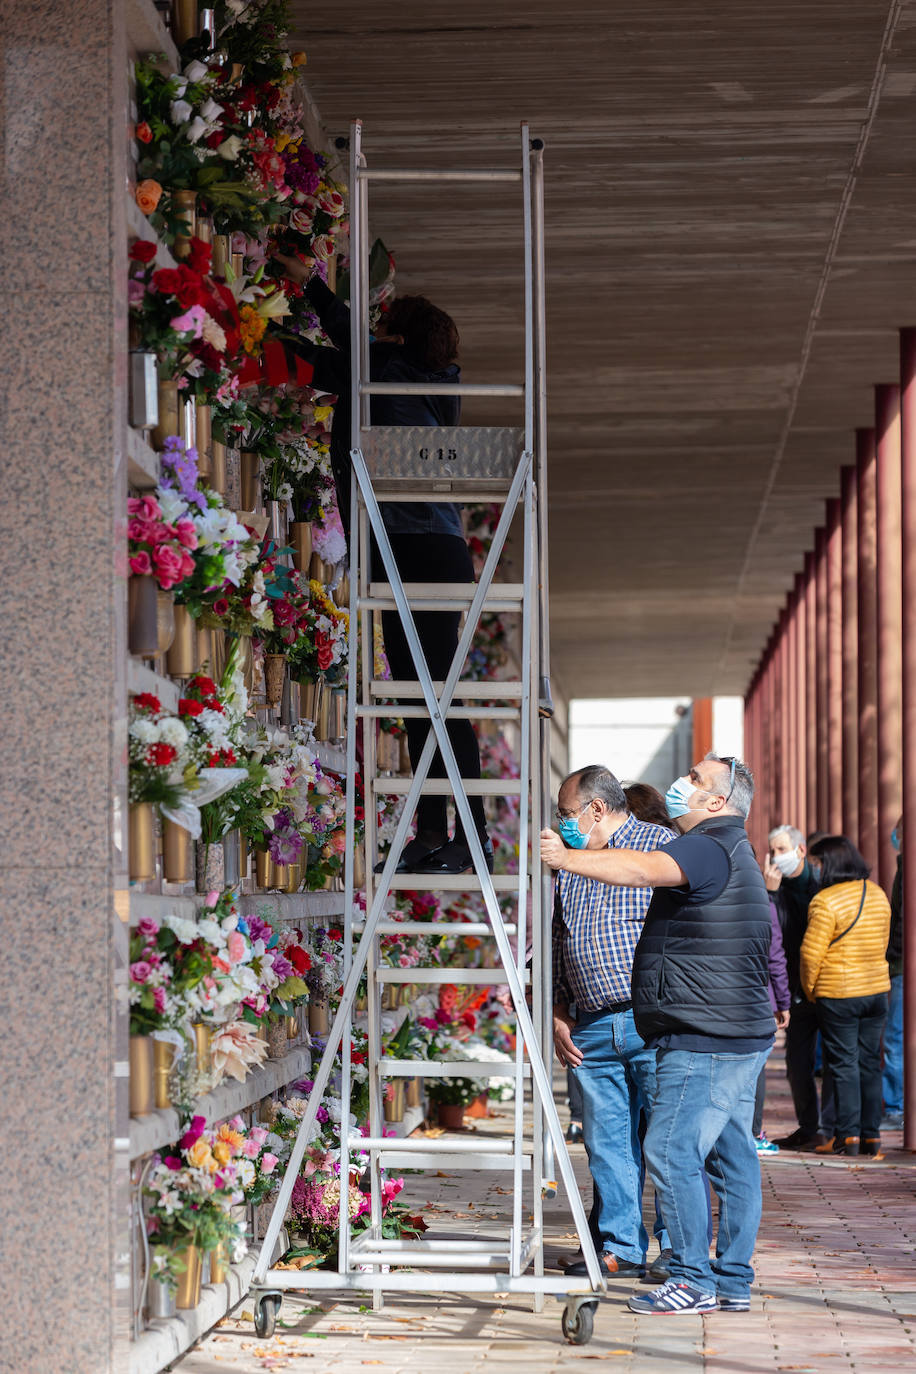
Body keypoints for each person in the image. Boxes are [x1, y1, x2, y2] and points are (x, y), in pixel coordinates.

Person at [272, 257, 491, 874]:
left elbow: (337, 345)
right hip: (436, 552)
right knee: (426, 696)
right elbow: (344, 349)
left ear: (396, 339)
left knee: (435, 695)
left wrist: (292, 293)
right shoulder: (435, 384)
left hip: (409, 549)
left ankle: (470, 839)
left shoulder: (388, 373)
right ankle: (433, 831)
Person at [542, 753, 775, 1315]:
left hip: (703, 1033)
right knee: (731, 1153)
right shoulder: (731, 848)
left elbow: (645, 871)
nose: (682, 784)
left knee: (669, 1150)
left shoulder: (704, 844)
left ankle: (692, 1277)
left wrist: (567, 857)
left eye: (695, 780)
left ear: (716, 803)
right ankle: (732, 1280)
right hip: (727, 1029)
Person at [551, 765, 675, 1280]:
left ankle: (678, 1248)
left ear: (597, 808)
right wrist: (559, 1012)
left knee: (668, 1142)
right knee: (606, 1145)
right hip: (592, 1024)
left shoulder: (659, 845)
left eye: (567, 814)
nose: (563, 826)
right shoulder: (570, 862)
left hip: (652, 1020)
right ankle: (621, 1245)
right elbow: (559, 938)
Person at [800, 835, 891, 1157]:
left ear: (829, 864)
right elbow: (882, 942)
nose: (815, 869)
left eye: (817, 863)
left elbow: (811, 955)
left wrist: (811, 991)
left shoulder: (825, 900)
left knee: (843, 1065)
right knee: (870, 1063)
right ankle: (872, 1136)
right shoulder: (877, 894)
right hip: (876, 991)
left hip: (838, 992)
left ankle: (848, 1137)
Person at [764, 824, 828, 1149]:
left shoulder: (823, 884)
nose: (774, 857)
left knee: (834, 1061)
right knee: (798, 1064)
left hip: (828, 984)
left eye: (780, 849)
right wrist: (770, 894)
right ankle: (809, 1127)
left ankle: (833, 1128)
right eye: (772, 850)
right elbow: (772, 936)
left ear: (800, 850)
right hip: (795, 988)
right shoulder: (777, 890)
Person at [753, 902, 791, 1153]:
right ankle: (753, 1133)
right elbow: (774, 957)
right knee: (755, 1069)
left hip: (716, 998)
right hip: (758, 999)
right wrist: (783, 1000)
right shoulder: (765, 905)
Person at [883, 814, 904, 1129]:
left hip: (902, 967)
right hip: (900, 964)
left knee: (895, 1037)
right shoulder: (904, 866)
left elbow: (900, 923)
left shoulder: (907, 869)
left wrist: (892, 954)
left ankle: (896, 1106)